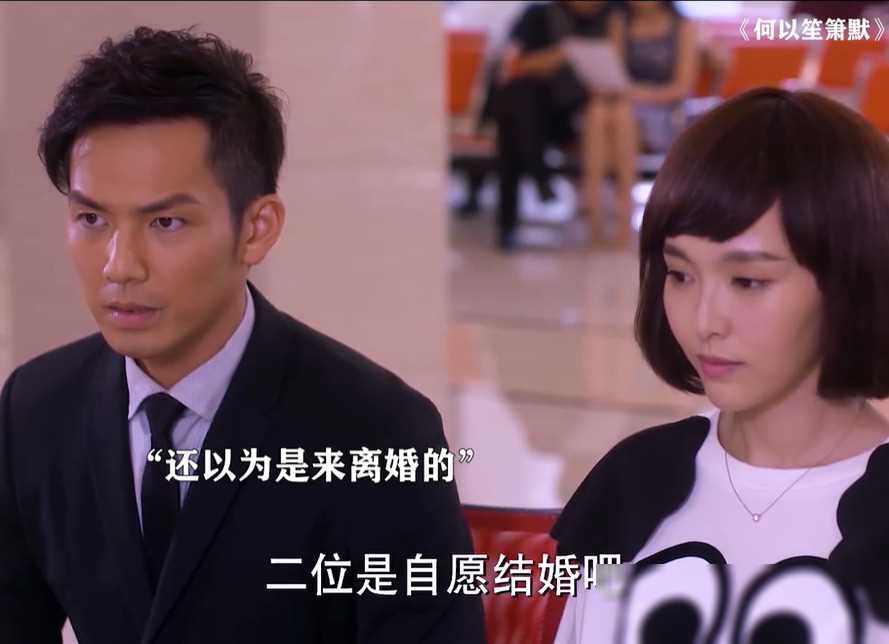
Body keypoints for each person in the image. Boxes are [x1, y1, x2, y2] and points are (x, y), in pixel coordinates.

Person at [0, 27, 485, 644]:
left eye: (165, 222)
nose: (119, 266)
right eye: (91, 218)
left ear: (256, 229)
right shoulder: (37, 407)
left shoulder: (379, 431)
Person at [552, 88, 889, 640]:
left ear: (852, 279)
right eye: (680, 275)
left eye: (748, 281)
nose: (704, 319)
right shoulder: (635, 481)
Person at [494, 0, 622, 250]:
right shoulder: (538, 15)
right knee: (518, 96)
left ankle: (537, 174)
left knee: (515, 114)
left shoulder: (615, 15)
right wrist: (562, 53)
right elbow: (512, 66)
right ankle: (537, 173)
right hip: (540, 115)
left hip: (586, 113)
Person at [582, 0, 696, 248]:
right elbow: (614, 75)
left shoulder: (683, 26)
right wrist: (621, 92)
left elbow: (681, 87)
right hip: (622, 110)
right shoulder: (619, 21)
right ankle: (595, 214)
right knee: (599, 110)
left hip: (664, 113)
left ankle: (620, 216)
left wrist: (635, 93)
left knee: (620, 113)